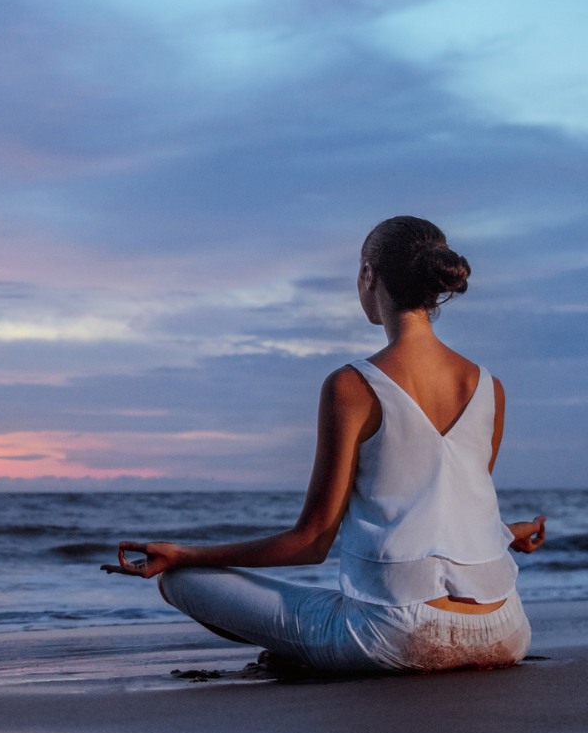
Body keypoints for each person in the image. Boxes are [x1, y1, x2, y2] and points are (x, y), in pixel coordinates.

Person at [103, 216, 546, 674]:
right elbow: (445, 505)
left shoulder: (352, 386)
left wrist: (185, 554)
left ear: (369, 275)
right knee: (355, 604)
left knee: (181, 582)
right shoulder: (490, 387)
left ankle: (309, 651)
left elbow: (311, 542)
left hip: (398, 638)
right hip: (505, 629)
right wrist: (506, 532)